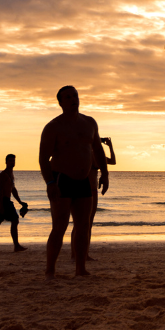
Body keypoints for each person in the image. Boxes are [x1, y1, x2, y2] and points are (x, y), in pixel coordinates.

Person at [39, 86, 110, 279]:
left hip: (84, 181)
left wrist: (105, 173)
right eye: (68, 97)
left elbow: (97, 150)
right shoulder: (53, 127)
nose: (73, 99)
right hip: (62, 179)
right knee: (60, 226)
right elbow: (44, 159)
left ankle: (80, 269)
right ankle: (50, 270)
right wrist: (50, 183)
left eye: (75, 95)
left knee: (83, 226)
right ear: (60, 103)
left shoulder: (89, 123)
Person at [0, 154, 30, 252]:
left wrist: (20, 201)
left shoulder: (11, 174)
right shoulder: (3, 174)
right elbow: (0, 191)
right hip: (4, 201)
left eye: (13, 161)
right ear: (6, 162)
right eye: (10, 161)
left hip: (7, 201)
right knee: (14, 220)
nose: (12, 162)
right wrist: (1, 206)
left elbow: (13, 189)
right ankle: (16, 246)